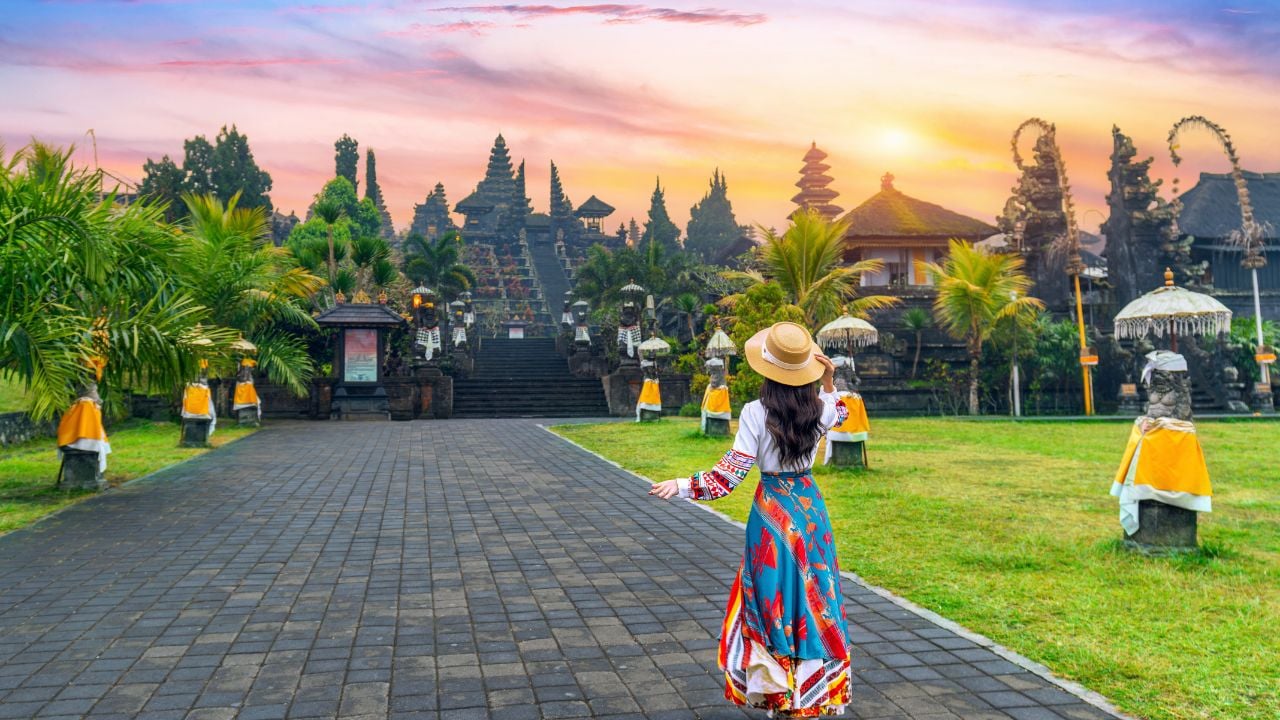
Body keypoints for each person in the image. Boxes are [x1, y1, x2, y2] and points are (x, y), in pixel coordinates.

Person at [650, 321, 852, 717]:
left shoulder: (755, 412)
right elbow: (841, 412)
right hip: (810, 512)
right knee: (814, 597)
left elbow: (727, 478)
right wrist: (830, 381)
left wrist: (682, 484)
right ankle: (810, 695)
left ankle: (778, 691)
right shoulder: (821, 409)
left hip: (773, 515)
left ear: (767, 370)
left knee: (772, 598)